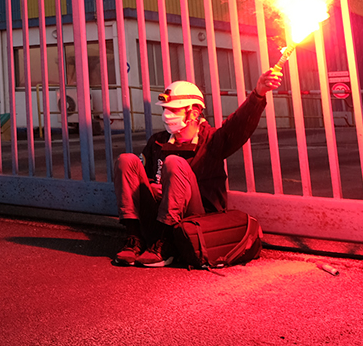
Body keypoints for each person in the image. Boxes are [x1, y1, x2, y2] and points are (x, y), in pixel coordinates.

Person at [113, 68, 283, 267]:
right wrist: (151, 185)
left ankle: (166, 244)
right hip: (157, 216)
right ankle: (134, 238)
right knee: (126, 160)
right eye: (165, 109)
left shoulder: (211, 140)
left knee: (175, 162)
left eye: (174, 110)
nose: (167, 115)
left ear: (194, 111)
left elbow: (238, 126)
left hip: (194, 220)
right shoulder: (157, 142)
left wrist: (258, 94)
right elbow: (143, 178)